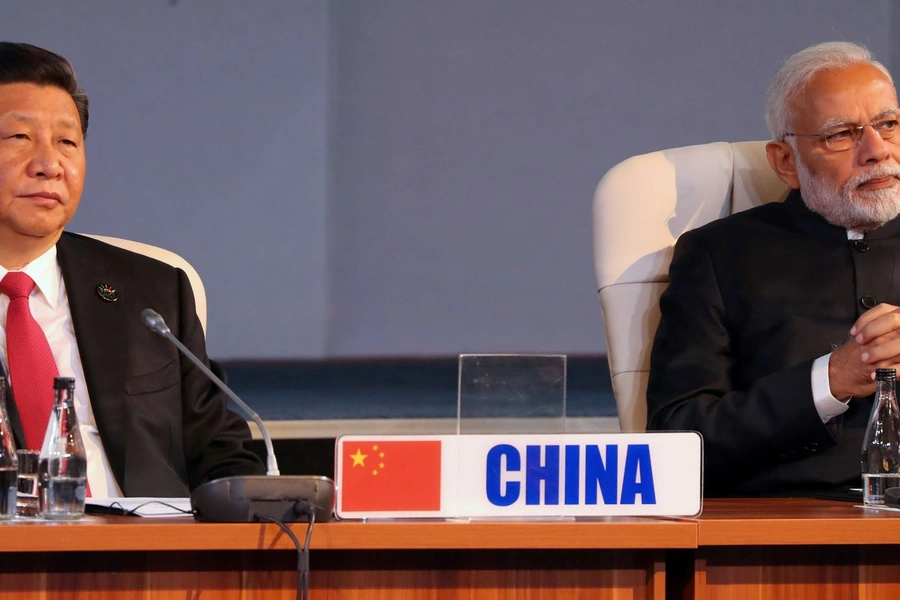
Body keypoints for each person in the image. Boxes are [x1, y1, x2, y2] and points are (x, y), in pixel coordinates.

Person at [0, 42, 264, 497]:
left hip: (149, 556)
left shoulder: (152, 292)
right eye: (19, 138)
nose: (50, 165)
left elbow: (220, 448)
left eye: (67, 142)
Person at [646, 41, 900, 496]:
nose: (877, 150)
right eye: (841, 134)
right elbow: (676, 443)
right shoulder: (719, 257)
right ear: (786, 162)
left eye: (889, 124)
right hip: (778, 537)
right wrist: (832, 379)